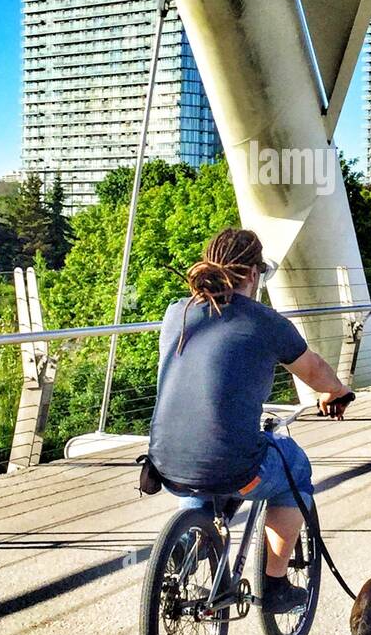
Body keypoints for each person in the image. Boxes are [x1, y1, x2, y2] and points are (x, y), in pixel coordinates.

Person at [148, 227, 353, 613]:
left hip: (163, 463)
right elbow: (314, 369)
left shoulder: (177, 312)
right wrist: (335, 393)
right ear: (254, 275)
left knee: (202, 470)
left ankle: (187, 544)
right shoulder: (266, 321)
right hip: (233, 466)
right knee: (294, 467)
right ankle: (275, 585)